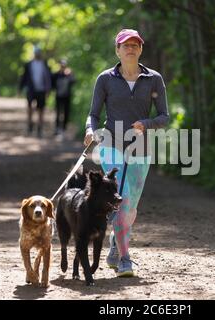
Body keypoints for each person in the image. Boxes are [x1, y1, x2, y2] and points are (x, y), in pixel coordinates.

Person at [84, 29, 169, 277]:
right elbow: (93, 114)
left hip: (141, 150)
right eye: (125, 45)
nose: (130, 48)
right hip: (111, 144)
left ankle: (114, 244)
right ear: (117, 50)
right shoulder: (105, 79)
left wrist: (146, 123)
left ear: (141, 49)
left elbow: (164, 116)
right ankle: (125, 259)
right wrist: (90, 129)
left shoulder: (153, 79)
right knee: (124, 197)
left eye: (135, 44)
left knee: (129, 208)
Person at [19, 46, 51, 138]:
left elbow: (48, 78)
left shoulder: (44, 64)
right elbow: (24, 77)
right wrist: (20, 88)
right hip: (31, 90)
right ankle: (30, 125)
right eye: (36, 52)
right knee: (29, 108)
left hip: (41, 90)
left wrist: (48, 90)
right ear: (34, 53)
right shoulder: (28, 64)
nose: (38, 54)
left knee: (41, 110)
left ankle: (39, 128)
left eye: (39, 52)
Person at [51, 59, 76, 136]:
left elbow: (73, 81)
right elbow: (52, 83)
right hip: (58, 96)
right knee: (58, 112)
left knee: (66, 112)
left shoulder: (69, 75)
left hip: (67, 96)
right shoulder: (56, 75)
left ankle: (64, 128)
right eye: (62, 66)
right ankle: (57, 128)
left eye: (64, 66)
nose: (63, 67)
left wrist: (71, 73)